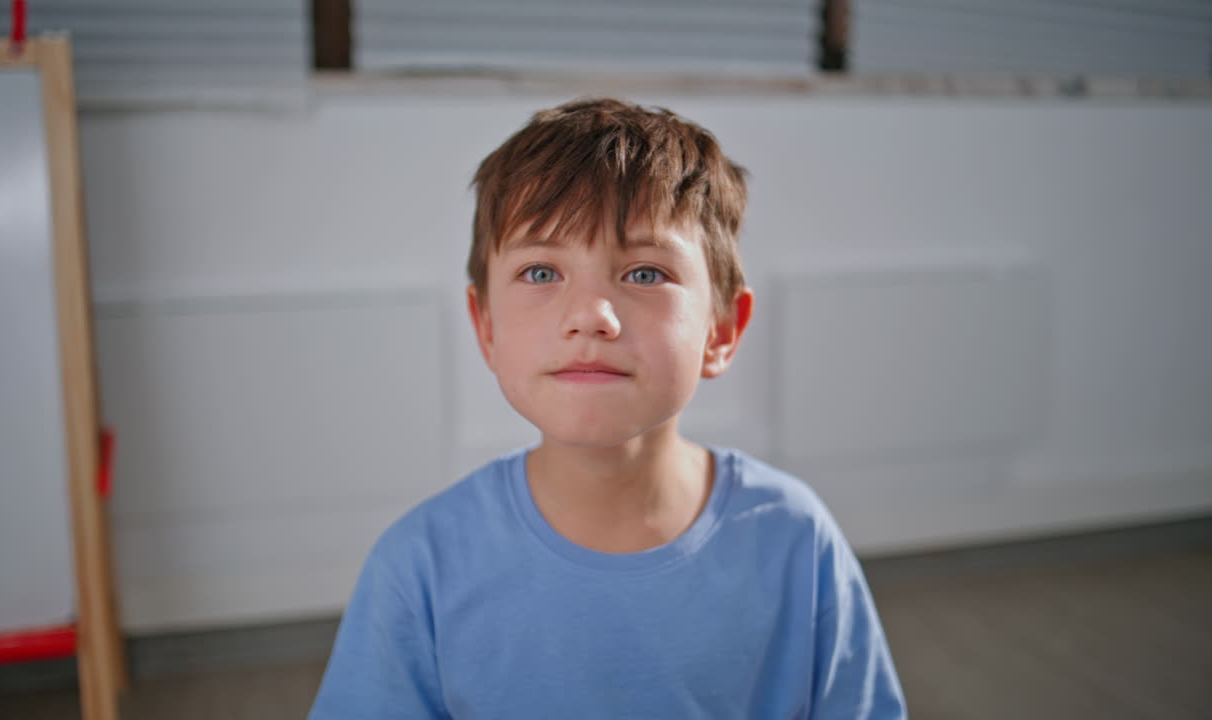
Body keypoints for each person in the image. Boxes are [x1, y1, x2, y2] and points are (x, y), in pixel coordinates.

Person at [309, 97, 906, 718]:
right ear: (485, 326)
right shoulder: (419, 567)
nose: (591, 315)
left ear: (721, 329)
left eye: (645, 274)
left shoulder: (795, 539)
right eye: (541, 272)